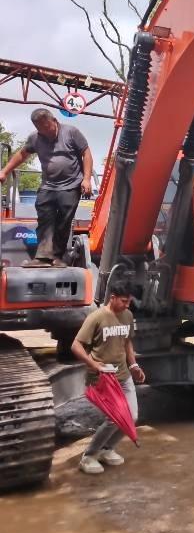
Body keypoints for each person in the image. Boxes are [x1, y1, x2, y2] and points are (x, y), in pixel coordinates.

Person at [0, 108, 93, 267]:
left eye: (47, 128)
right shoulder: (35, 138)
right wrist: (4, 171)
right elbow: (22, 154)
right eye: (40, 130)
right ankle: (43, 258)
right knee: (45, 219)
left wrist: (86, 179)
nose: (45, 133)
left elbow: (87, 154)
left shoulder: (71, 132)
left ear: (54, 121)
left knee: (63, 221)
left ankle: (57, 258)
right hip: (48, 186)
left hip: (71, 185)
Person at [70, 281, 145, 475]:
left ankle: (106, 449)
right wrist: (94, 365)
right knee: (114, 418)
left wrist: (134, 365)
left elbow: (127, 342)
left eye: (129, 301)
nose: (127, 305)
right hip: (103, 378)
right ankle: (88, 456)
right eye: (123, 301)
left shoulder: (127, 315)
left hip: (124, 375)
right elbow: (76, 346)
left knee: (132, 416)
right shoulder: (96, 317)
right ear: (112, 297)